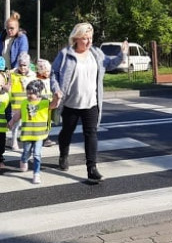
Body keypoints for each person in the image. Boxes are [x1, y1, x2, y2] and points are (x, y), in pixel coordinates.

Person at [50, 23, 128, 183]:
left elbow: (111, 64)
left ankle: (92, 168)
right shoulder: (65, 54)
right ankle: (63, 155)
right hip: (71, 103)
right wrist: (56, 89)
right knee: (67, 132)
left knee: (91, 134)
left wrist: (122, 54)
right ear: (77, 38)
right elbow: (54, 73)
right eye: (85, 38)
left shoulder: (97, 54)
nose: (88, 42)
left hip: (91, 102)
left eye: (90, 38)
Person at [9, 79, 57, 185]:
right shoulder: (24, 103)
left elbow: (54, 105)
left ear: (38, 93)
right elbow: (19, 114)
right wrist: (12, 121)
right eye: (28, 93)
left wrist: (57, 97)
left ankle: (36, 174)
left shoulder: (44, 103)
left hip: (39, 134)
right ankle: (24, 159)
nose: (29, 95)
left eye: (32, 93)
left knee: (37, 154)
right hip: (27, 134)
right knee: (26, 151)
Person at [8, 53, 36, 151]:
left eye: (24, 65)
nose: (22, 67)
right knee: (16, 125)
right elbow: (9, 87)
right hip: (16, 105)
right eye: (20, 65)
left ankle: (29, 144)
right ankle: (14, 141)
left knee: (29, 125)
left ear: (28, 65)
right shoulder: (12, 74)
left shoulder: (32, 75)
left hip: (29, 104)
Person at [36, 58, 56, 147]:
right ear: (41, 71)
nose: (48, 73)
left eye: (49, 71)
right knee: (42, 122)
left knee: (48, 122)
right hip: (41, 105)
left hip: (49, 104)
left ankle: (46, 137)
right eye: (46, 71)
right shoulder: (38, 81)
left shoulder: (49, 80)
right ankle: (43, 138)